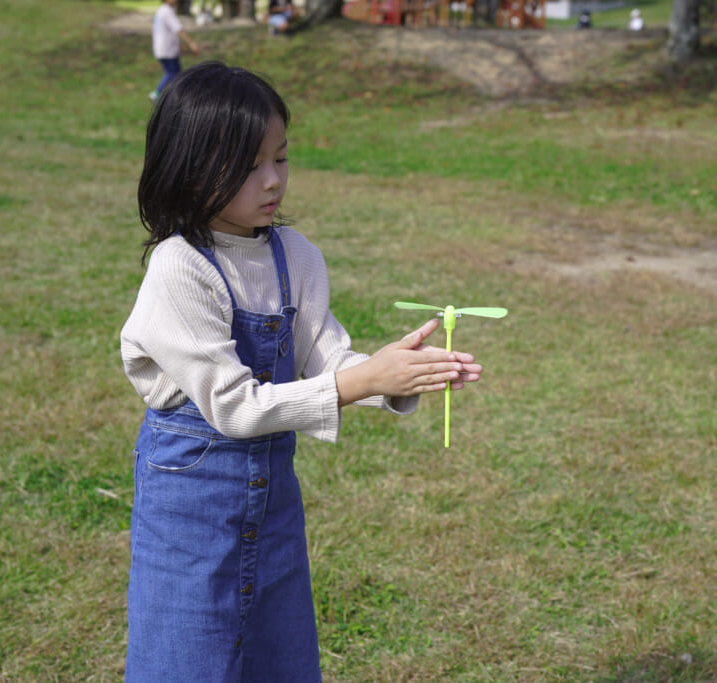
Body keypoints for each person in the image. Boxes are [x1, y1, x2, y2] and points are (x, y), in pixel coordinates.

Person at [120, 61, 484, 681]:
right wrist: (362, 383)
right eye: (248, 165)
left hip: (272, 505)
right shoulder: (181, 269)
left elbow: (329, 360)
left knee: (278, 654)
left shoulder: (297, 257)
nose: (272, 181)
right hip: (190, 512)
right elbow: (233, 407)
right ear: (189, 164)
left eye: (281, 159)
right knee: (187, 657)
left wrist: (399, 372)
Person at [150, 0, 199, 102]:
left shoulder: (162, 10)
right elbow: (178, 29)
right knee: (176, 76)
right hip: (167, 50)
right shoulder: (167, 12)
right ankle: (179, 98)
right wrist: (191, 43)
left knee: (172, 73)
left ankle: (157, 93)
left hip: (163, 49)